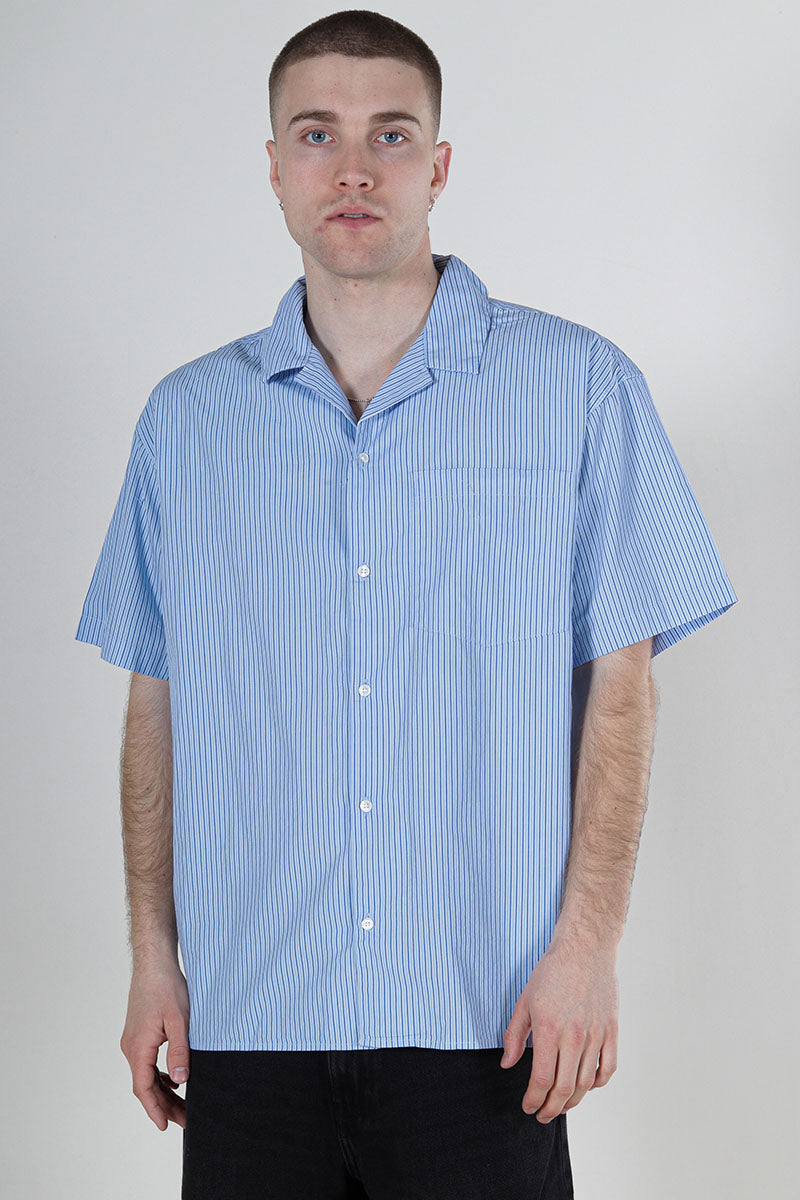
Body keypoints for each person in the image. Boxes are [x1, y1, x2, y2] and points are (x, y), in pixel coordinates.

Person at [74, 10, 739, 1199]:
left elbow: (622, 690)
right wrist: (152, 957)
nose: (352, 168)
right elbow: (155, 701)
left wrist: (586, 951)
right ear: (272, 166)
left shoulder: (578, 390)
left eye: (389, 134)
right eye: (315, 134)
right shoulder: (186, 422)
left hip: (488, 1021)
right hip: (249, 1020)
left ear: (436, 164)